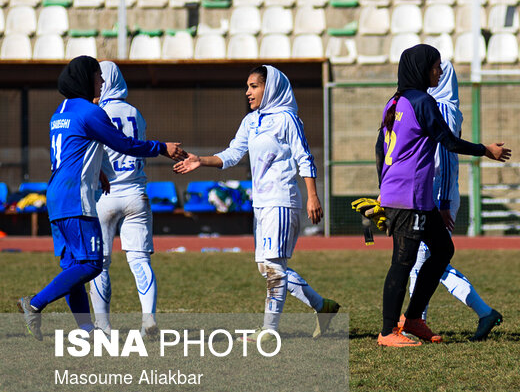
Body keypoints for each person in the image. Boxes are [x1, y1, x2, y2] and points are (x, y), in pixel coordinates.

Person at [17, 56, 185, 340]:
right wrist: (161, 147)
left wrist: (98, 173)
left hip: (57, 193)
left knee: (73, 266)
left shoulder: (60, 112)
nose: (102, 82)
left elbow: (74, 150)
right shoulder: (90, 112)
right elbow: (124, 144)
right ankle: (35, 303)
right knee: (93, 264)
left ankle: (88, 330)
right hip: (77, 197)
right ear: (85, 78)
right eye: (98, 76)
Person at [173, 65, 340, 341]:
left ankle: (269, 331)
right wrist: (200, 160)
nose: (248, 92)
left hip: (283, 200)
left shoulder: (287, 119)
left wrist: (312, 195)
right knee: (267, 267)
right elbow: (232, 153)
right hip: (261, 203)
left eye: (254, 86)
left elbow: (304, 158)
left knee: (273, 265)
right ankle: (323, 306)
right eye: (247, 86)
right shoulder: (251, 121)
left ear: (270, 87)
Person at [376, 44, 511, 347]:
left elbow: (379, 147)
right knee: (403, 260)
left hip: (415, 196)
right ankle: (387, 332)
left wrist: (382, 188)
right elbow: (448, 142)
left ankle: (412, 319)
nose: (439, 71)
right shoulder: (422, 101)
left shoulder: (394, 101)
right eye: (435, 66)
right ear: (422, 69)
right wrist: (485, 150)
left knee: (442, 250)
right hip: (407, 196)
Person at [405, 60, 504, 341]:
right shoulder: (435, 105)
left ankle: (415, 321)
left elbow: (447, 159)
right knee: (427, 262)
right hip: (432, 192)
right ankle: (483, 313)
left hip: (438, 194)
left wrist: (445, 201)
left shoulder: (444, 109)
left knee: (425, 260)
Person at [89, 61, 161, 340]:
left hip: (105, 195)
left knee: (99, 263)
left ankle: (103, 327)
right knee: (140, 260)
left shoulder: (97, 112)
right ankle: (148, 318)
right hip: (136, 193)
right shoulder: (135, 113)